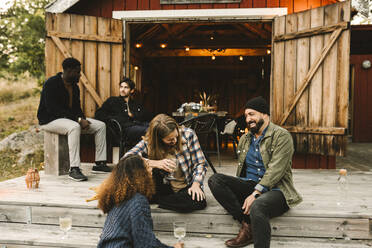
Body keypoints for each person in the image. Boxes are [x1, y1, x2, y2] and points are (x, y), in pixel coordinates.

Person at [208, 96, 302, 248]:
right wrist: (245, 191)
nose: (248, 119)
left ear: (265, 114)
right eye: (246, 116)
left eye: (252, 114)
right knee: (215, 180)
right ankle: (247, 225)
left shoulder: (282, 136)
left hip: (277, 190)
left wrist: (255, 194)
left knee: (258, 206)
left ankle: (251, 233)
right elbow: (242, 171)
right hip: (251, 185)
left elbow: (276, 170)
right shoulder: (246, 138)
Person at [37, 57, 111, 182]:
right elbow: (53, 109)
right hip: (49, 120)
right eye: (78, 71)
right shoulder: (51, 83)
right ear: (69, 71)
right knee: (74, 127)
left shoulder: (75, 87)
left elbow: (77, 107)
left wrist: (82, 119)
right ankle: (74, 169)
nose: (80, 74)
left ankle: (99, 163)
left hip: (68, 119)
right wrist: (78, 120)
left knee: (100, 126)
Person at [124, 114, 207, 213]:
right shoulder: (149, 142)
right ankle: (165, 200)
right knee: (139, 173)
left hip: (185, 187)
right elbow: (126, 160)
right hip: (162, 186)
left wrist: (196, 184)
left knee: (199, 201)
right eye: (170, 140)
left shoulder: (189, 135)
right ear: (158, 139)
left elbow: (200, 163)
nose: (175, 140)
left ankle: (159, 201)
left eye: (176, 136)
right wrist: (154, 163)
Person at [97, 155, 183, 248]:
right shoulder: (138, 201)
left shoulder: (117, 197)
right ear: (139, 173)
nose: (151, 169)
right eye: (147, 166)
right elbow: (145, 244)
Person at [95, 77, 151, 144]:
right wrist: (113, 119)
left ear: (132, 90)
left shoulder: (135, 104)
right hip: (123, 130)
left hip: (137, 125)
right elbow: (99, 114)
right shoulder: (112, 101)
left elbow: (147, 116)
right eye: (121, 87)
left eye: (126, 87)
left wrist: (133, 115)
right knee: (149, 130)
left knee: (156, 128)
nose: (122, 90)